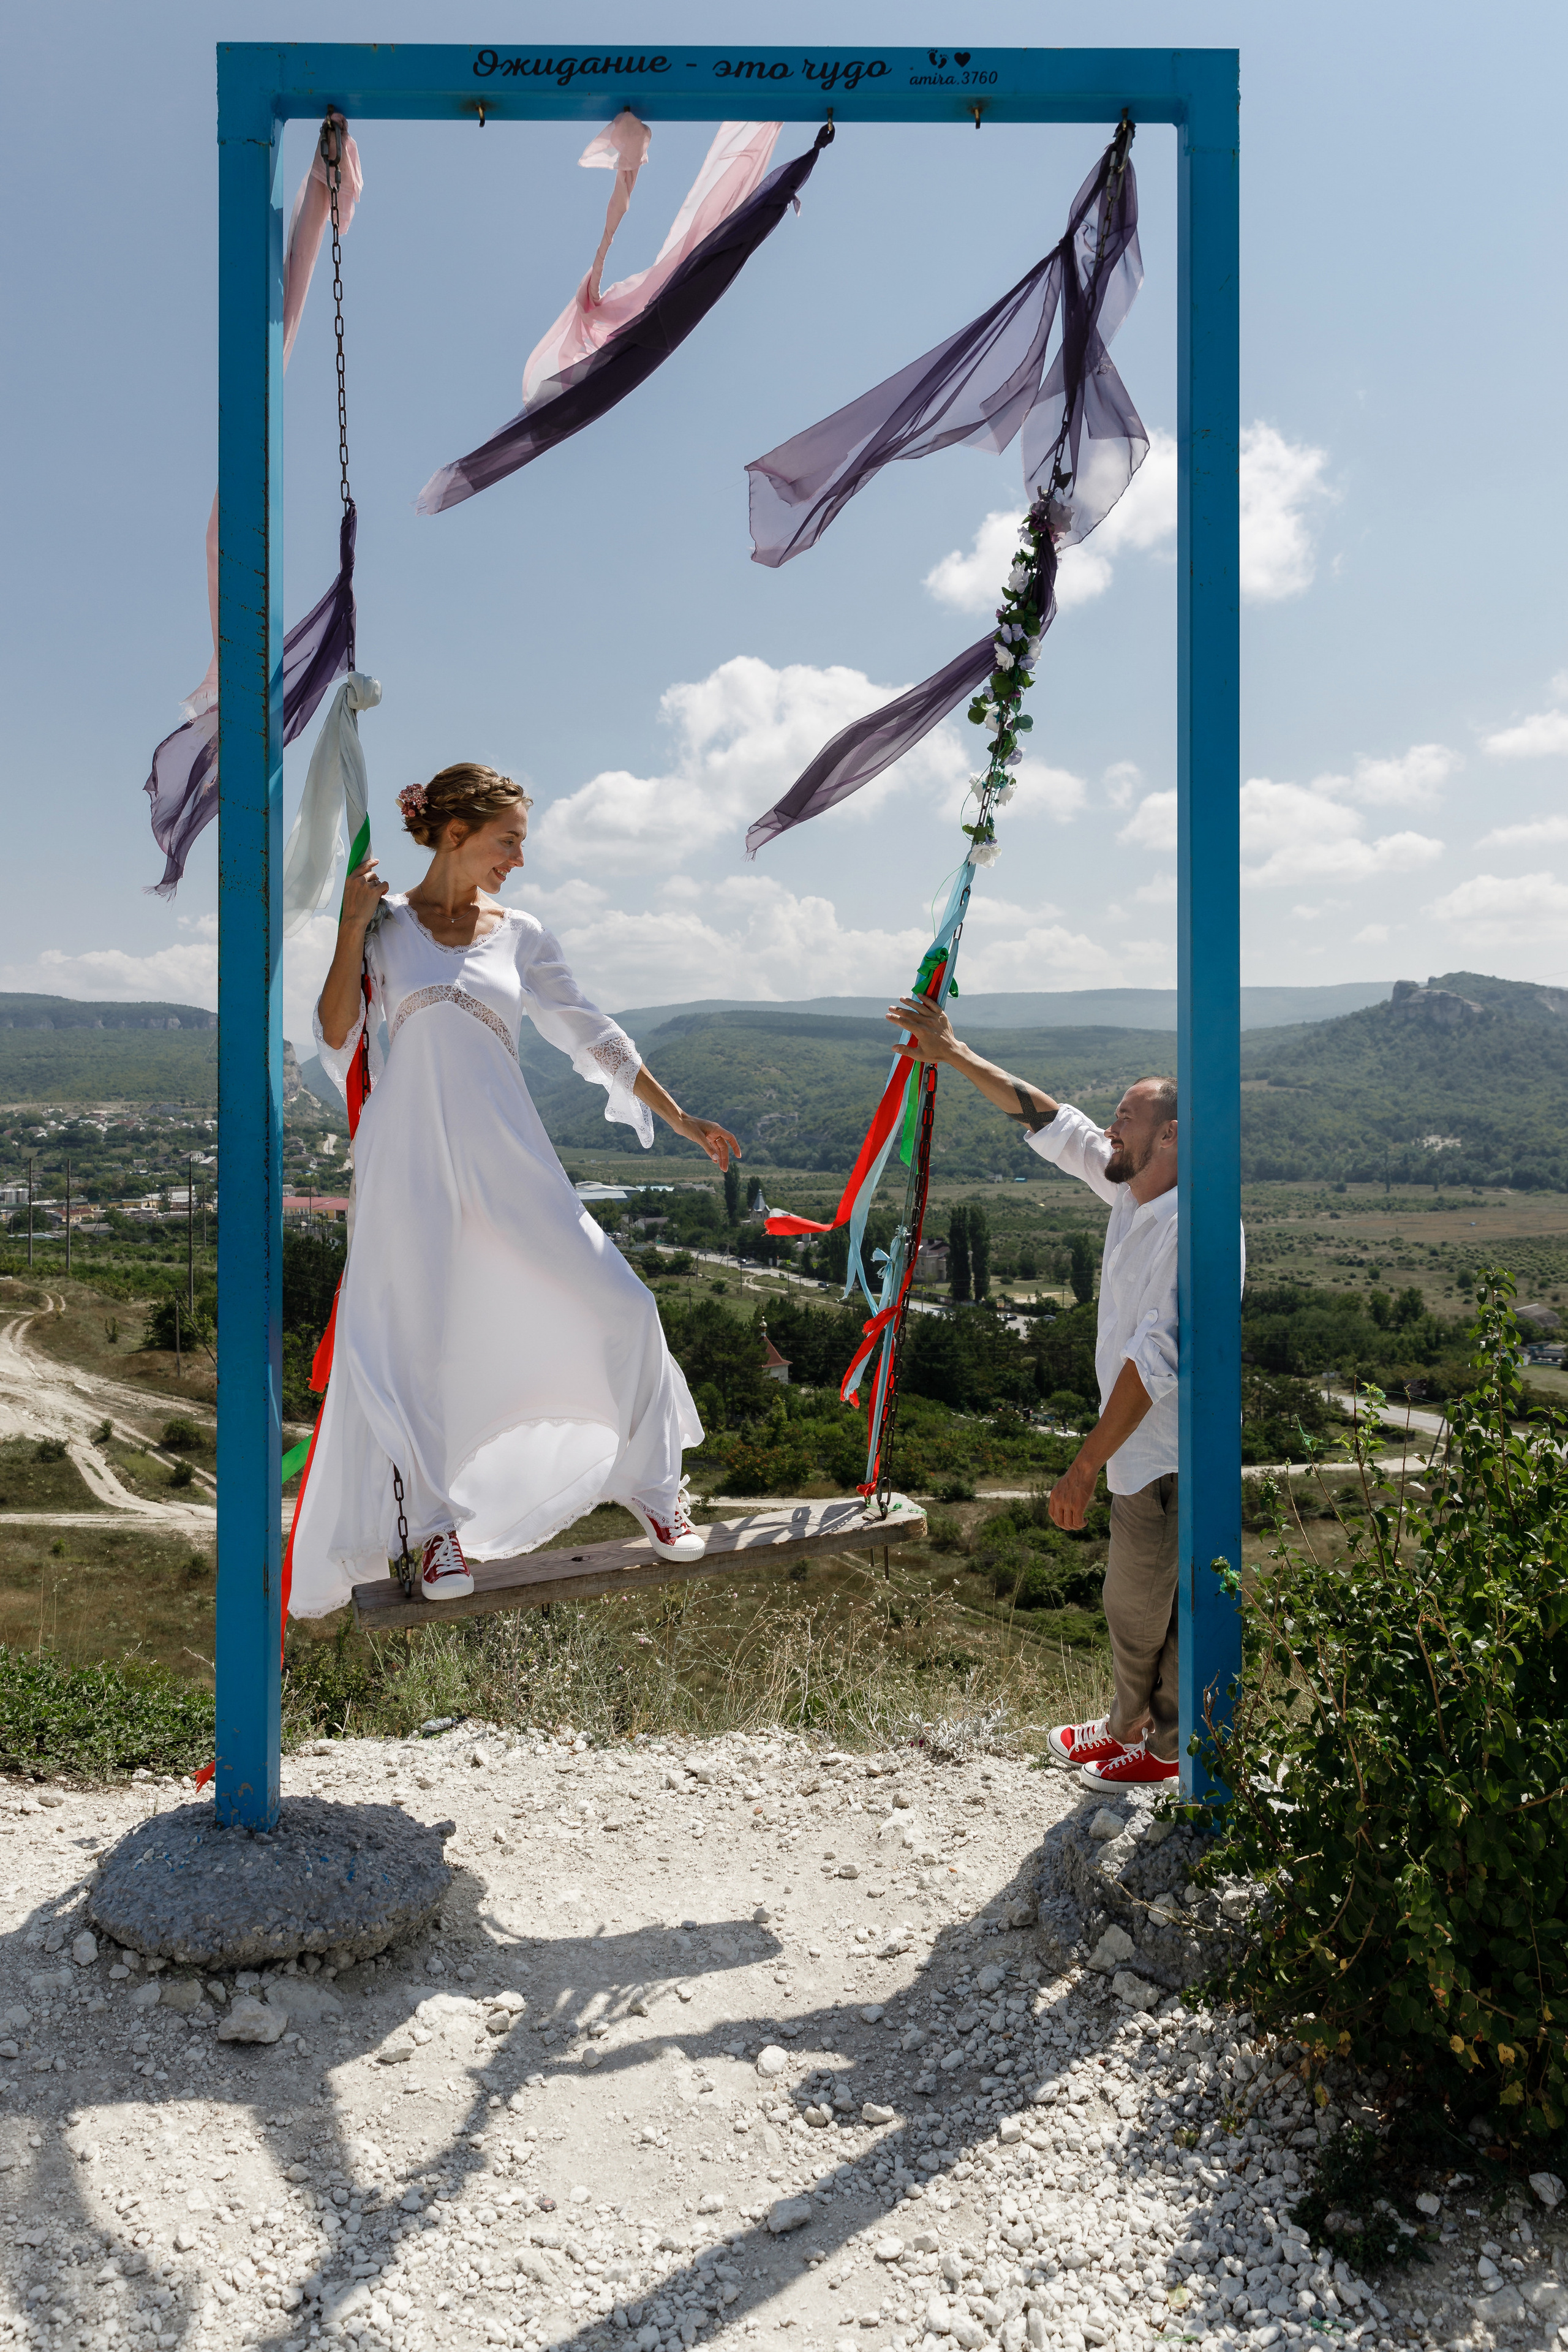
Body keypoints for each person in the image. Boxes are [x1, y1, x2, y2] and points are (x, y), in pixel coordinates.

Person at [290, 763, 741, 1610]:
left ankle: (650, 1484)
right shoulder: (384, 927)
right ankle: (432, 1532)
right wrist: (350, 926)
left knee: (624, 1304)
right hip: (409, 1158)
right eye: (510, 841)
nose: (519, 860)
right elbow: (336, 1032)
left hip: (508, 1153)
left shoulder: (520, 932)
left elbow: (591, 1033)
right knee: (411, 1343)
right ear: (455, 834)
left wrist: (677, 1118)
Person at [889, 994, 1223, 1786]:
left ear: (1170, 1135)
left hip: (1168, 1452)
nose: (1111, 1130)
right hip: (1140, 1452)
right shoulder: (1138, 1195)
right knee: (1140, 1606)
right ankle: (1135, 1730)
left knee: (1147, 1609)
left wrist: (1082, 1465)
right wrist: (955, 1052)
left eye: (1127, 1118)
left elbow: (1157, 1364)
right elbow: (1054, 1121)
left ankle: (1164, 1752)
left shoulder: (1194, 1227)